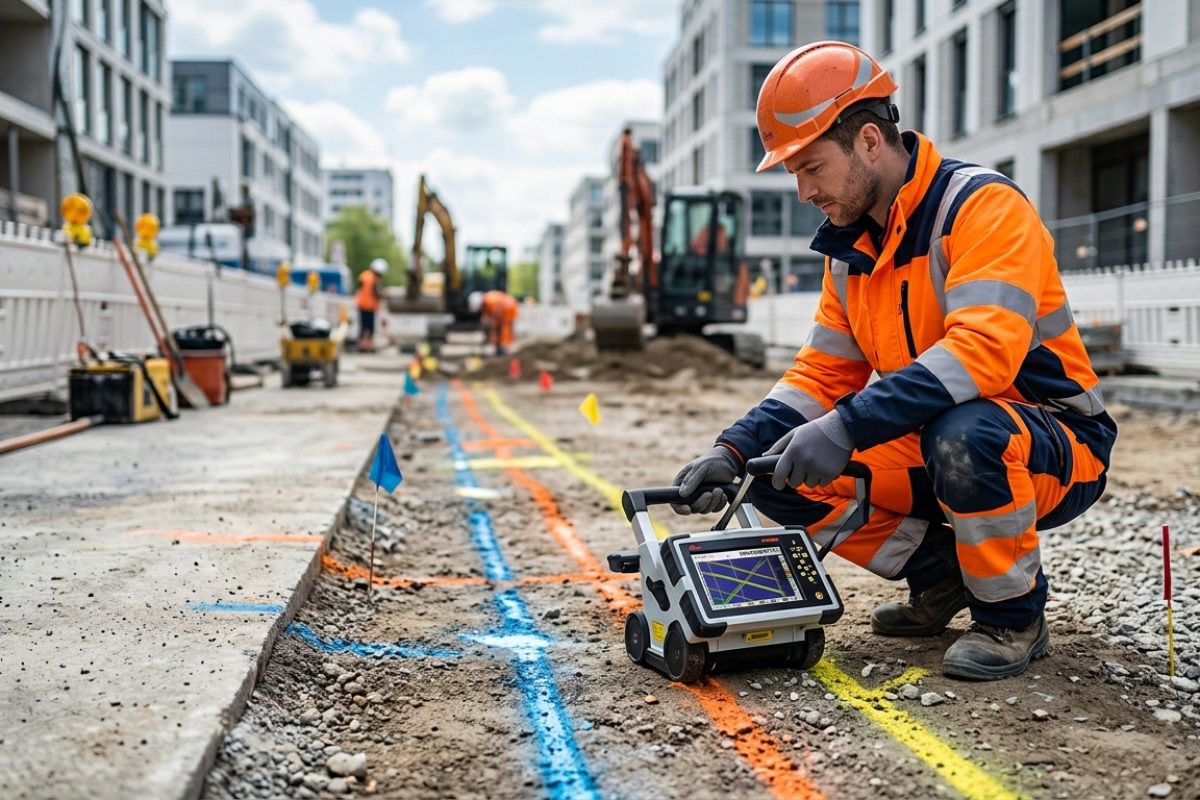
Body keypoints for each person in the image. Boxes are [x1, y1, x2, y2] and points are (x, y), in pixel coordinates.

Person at [672, 41, 1117, 681]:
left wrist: (847, 428)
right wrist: (735, 451)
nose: (803, 191)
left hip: (1054, 441)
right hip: (937, 438)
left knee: (963, 435)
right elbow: (822, 375)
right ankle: (942, 577)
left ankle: (1012, 617)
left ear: (871, 141)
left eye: (811, 167)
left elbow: (981, 354)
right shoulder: (850, 253)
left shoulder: (982, 208)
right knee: (781, 470)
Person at [469, 289, 519, 356]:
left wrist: (492, 331)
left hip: (508, 308)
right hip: (508, 307)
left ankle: (503, 347)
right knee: (501, 328)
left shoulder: (489, 300)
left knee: (504, 328)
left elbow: (494, 315)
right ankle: (500, 347)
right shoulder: (487, 300)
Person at [355, 258, 387, 351]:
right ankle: (367, 345)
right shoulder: (374, 280)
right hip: (370, 306)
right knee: (369, 327)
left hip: (361, 305)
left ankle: (362, 343)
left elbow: (360, 288)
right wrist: (383, 295)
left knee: (363, 326)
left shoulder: (364, 275)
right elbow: (376, 293)